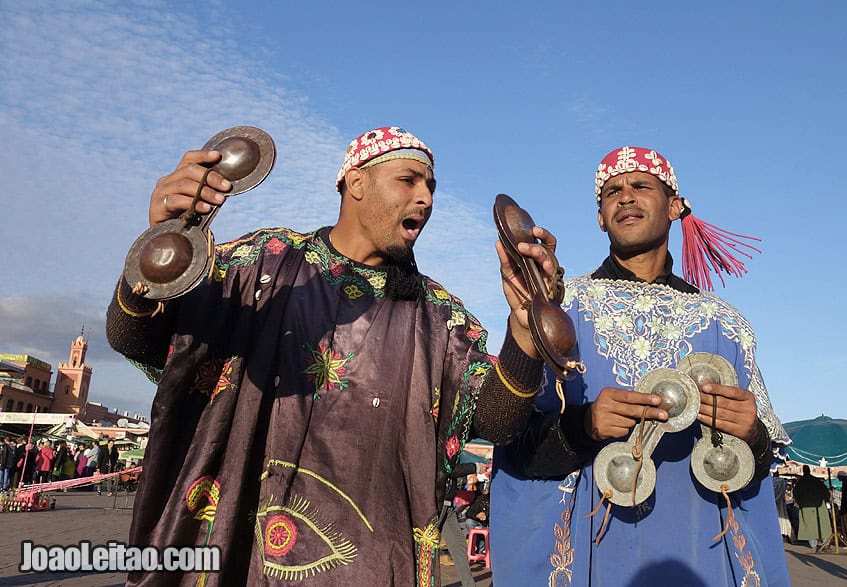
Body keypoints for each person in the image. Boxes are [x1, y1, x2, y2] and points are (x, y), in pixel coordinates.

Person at [105, 126, 555, 585]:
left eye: (431, 186)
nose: (426, 198)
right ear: (355, 182)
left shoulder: (440, 319)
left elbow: (497, 419)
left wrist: (523, 334)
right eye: (409, 180)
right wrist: (160, 246)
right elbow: (137, 338)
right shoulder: (265, 264)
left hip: (370, 569)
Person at [490, 146, 791, 586]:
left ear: (674, 207)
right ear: (599, 217)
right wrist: (583, 426)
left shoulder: (726, 324)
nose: (625, 197)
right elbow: (511, 442)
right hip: (587, 554)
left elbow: (761, 466)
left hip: (697, 551)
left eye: (640, 186)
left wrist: (752, 434)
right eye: (612, 191)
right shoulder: (559, 308)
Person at [793, 465, 832, 551]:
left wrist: (800, 503)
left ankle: (813, 545)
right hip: (819, 505)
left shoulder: (800, 482)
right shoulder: (816, 481)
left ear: (803, 471)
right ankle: (826, 543)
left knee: (809, 526)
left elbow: (795, 493)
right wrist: (826, 500)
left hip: (806, 506)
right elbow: (825, 491)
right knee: (823, 525)